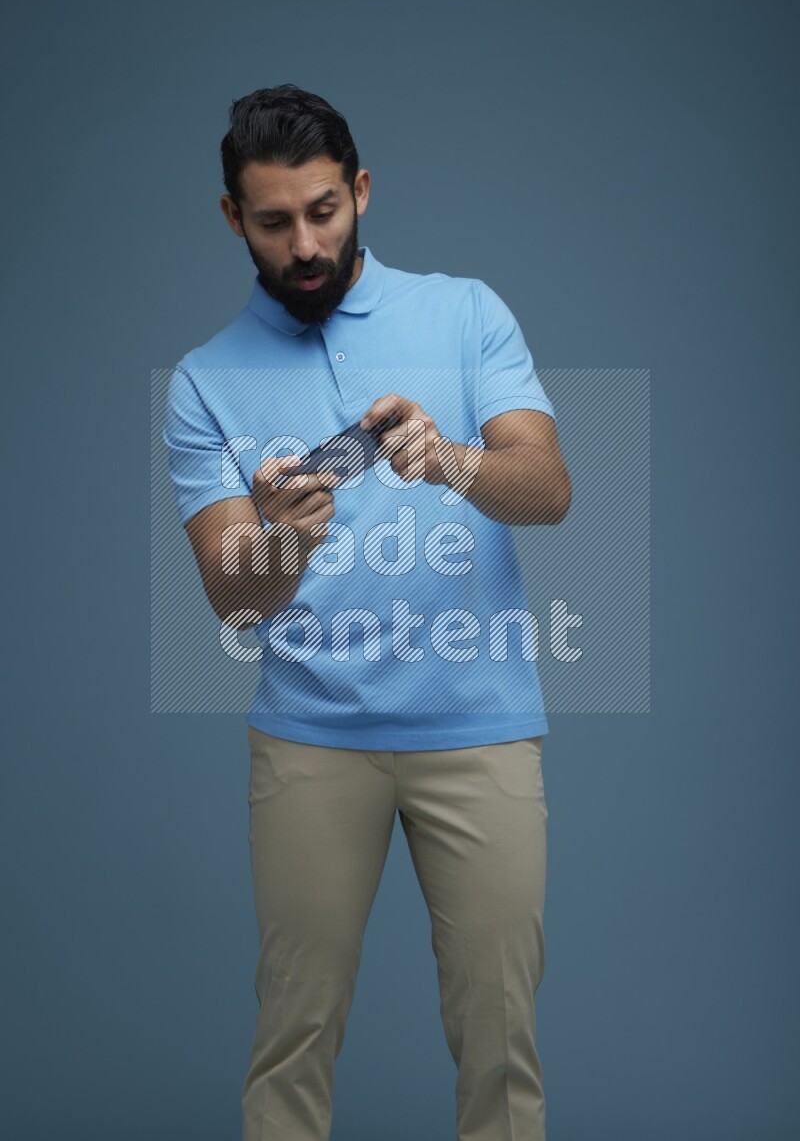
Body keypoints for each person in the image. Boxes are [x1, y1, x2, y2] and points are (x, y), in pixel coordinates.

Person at [163, 83, 571, 1141]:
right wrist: (285, 539)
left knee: (499, 1045)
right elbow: (228, 592)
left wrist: (453, 457)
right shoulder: (203, 382)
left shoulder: (466, 311)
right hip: (310, 742)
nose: (303, 244)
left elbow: (549, 487)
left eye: (323, 211)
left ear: (361, 192)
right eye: (272, 222)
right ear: (231, 219)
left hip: (478, 731)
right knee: (292, 1038)